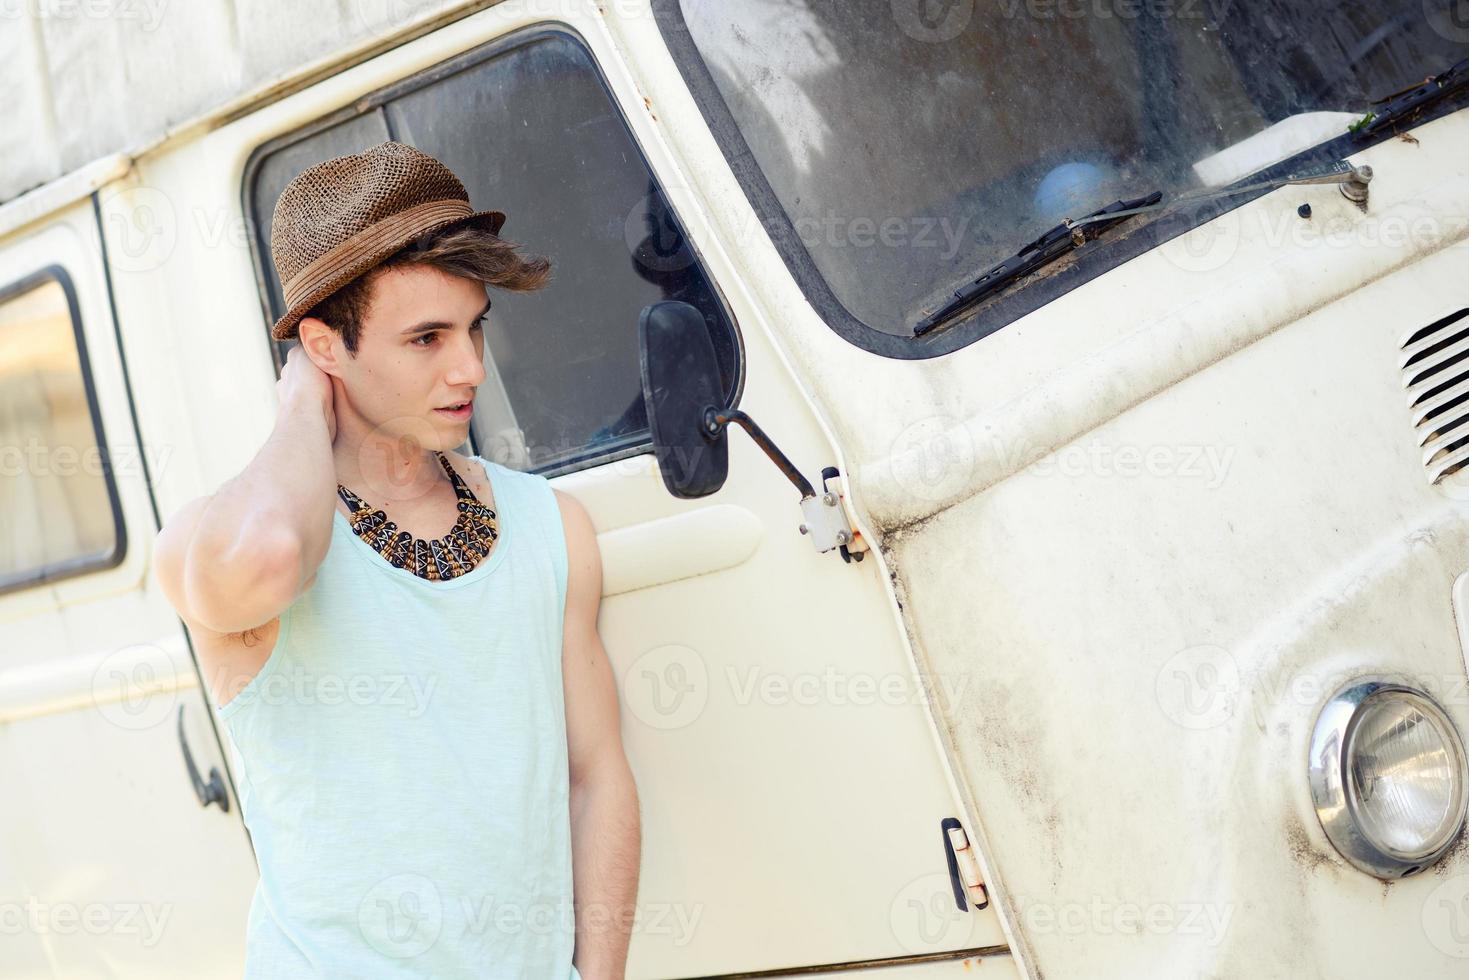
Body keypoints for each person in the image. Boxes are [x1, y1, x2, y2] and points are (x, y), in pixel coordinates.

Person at [152, 140, 640, 978]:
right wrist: (302, 405)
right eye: (426, 338)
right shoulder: (218, 538)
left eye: (473, 328)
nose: (470, 368)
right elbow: (268, 557)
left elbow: (596, 779)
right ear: (325, 346)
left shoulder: (548, 524)